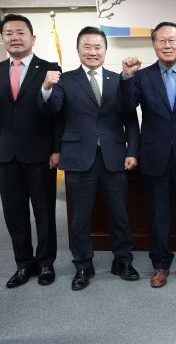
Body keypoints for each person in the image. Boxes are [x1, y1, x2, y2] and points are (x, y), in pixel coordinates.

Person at [39, 26, 140, 291]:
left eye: (98, 47)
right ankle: (83, 265)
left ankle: (123, 260)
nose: (92, 52)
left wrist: (132, 151)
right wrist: (47, 87)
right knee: (80, 218)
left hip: (114, 157)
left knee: (120, 214)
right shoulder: (65, 80)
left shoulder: (120, 79)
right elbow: (52, 110)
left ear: (105, 50)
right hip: (78, 157)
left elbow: (130, 117)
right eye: (87, 46)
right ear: (78, 50)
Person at [0, 14, 61, 288]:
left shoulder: (50, 68)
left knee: (44, 211)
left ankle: (46, 263)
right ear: (3, 39)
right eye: (8, 33)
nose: (15, 37)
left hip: (41, 153)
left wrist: (57, 149)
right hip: (5, 153)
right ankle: (24, 264)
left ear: (33, 38)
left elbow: (57, 113)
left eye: (20, 32)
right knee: (13, 212)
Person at [118, 22, 176, 288]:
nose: (167, 45)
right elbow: (126, 107)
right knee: (158, 214)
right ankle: (160, 265)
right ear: (154, 45)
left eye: (172, 40)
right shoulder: (141, 75)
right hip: (154, 155)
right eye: (161, 40)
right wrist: (126, 77)